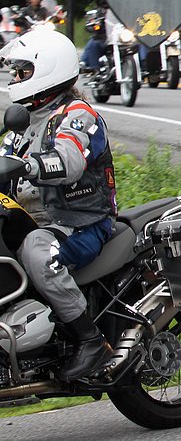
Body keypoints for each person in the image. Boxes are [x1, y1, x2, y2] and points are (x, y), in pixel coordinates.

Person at [0, 29, 117, 381]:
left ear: (47, 69)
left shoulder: (77, 115)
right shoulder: (25, 123)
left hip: (79, 222)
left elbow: (70, 161)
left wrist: (31, 165)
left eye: (23, 71)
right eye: (15, 72)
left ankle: (91, 340)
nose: (15, 78)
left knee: (38, 254)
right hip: (37, 220)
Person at [80, 0, 109, 73]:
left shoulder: (118, 11)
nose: (105, 4)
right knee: (94, 44)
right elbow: (89, 25)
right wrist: (96, 26)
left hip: (118, 37)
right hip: (102, 38)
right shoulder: (97, 13)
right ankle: (95, 69)